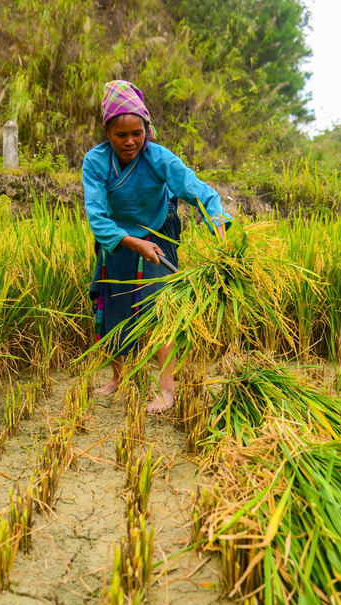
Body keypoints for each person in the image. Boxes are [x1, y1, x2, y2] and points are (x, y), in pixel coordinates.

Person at [82, 79, 231, 413]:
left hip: (158, 227)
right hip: (118, 234)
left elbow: (196, 189)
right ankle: (118, 377)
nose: (131, 141)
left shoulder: (159, 157)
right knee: (114, 300)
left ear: (146, 129)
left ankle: (166, 389)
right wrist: (132, 243)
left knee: (161, 304)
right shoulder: (95, 162)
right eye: (121, 135)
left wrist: (218, 223)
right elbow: (96, 216)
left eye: (138, 133)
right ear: (107, 132)